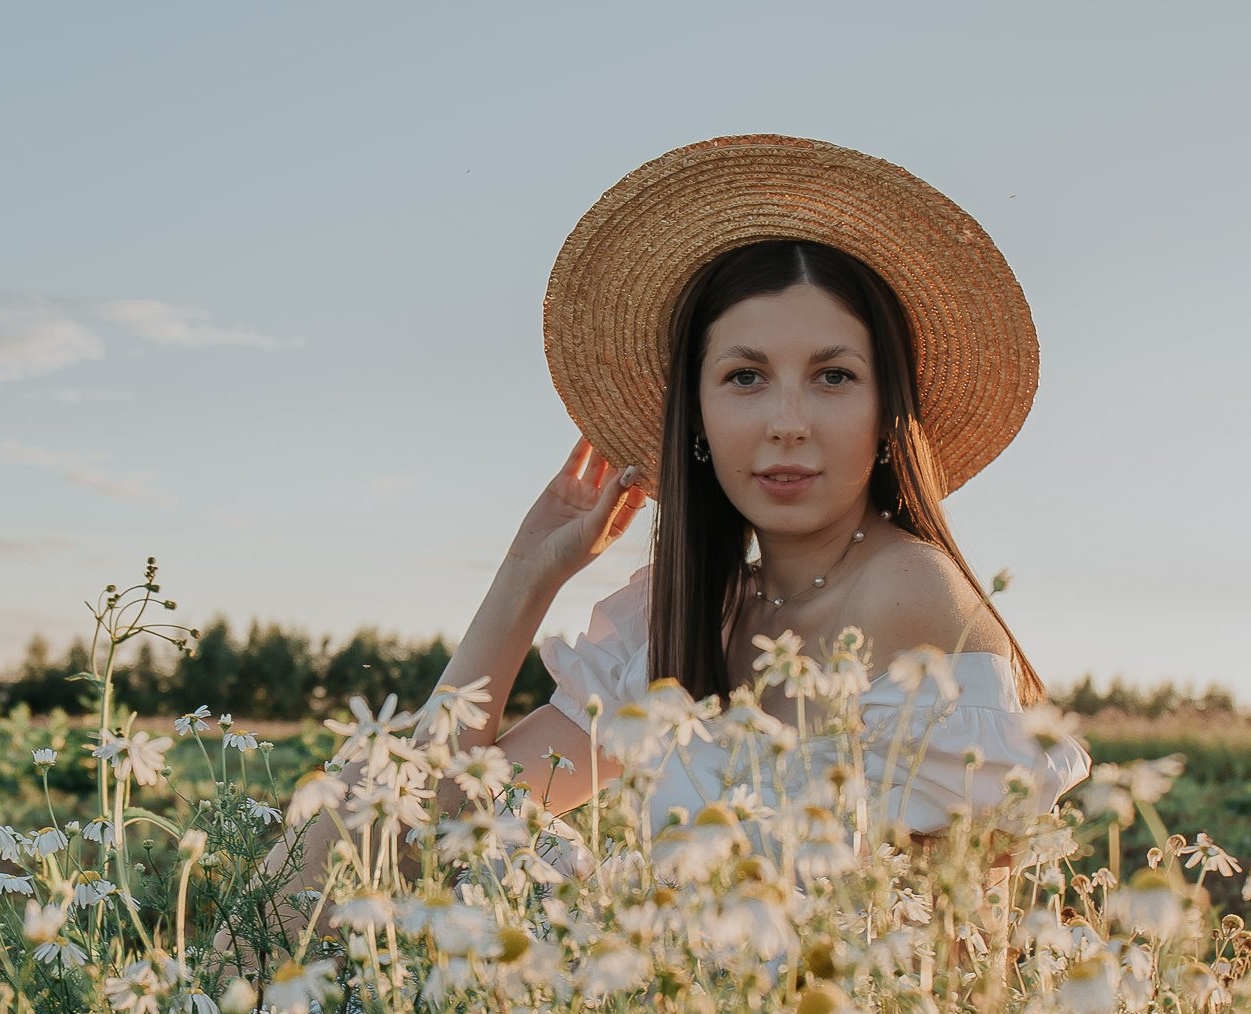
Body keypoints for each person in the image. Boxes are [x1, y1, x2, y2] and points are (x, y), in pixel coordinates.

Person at [258, 134, 1090, 933]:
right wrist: (526, 576)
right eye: (745, 377)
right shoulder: (689, 614)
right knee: (337, 840)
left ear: (886, 416)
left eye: (834, 377)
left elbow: (945, 947)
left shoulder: (908, 592)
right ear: (696, 416)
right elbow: (427, 811)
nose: (788, 422)